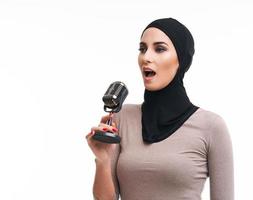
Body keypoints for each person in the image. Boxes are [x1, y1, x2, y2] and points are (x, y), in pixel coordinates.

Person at [86, 17, 234, 200]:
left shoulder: (211, 126)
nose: (146, 57)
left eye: (160, 49)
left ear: (181, 59)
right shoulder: (120, 118)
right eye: (142, 49)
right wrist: (102, 159)